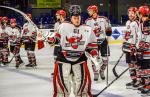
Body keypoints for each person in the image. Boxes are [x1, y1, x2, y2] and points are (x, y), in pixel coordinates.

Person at [45, 5, 98, 97]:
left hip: (80, 59)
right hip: (63, 59)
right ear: (71, 17)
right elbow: (56, 39)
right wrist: (50, 40)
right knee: (62, 85)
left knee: (82, 85)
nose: (77, 20)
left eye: (78, 17)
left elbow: (92, 45)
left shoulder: (87, 29)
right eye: (74, 18)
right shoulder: (63, 26)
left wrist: (94, 54)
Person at [86, 5, 112, 81]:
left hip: (103, 41)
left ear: (94, 11)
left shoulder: (104, 19)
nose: (88, 12)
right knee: (94, 59)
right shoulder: (88, 21)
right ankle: (96, 73)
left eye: (90, 10)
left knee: (105, 60)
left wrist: (109, 32)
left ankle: (102, 71)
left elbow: (109, 28)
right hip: (93, 43)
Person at [122, 7, 141, 89]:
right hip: (128, 47)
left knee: (136, 64)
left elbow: (139, 37)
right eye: (129, 13)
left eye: (132, 13)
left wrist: (136, 47)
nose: (130, 14)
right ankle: (133, 79)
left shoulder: (137, 23)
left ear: (135, 14)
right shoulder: (127, 22)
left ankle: (139, 80)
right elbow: (127, 35)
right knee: (130, 64)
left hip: (134, 48)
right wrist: (124, 44)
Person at [137, 5, 150, 96]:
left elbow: (147, 38)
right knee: (143, 69)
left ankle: (148, 87)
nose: (138, 15)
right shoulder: (142, 23)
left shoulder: (147, 23)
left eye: (139, 13)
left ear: (142, 13)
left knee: (146, 69)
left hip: (147, 51)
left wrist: (143, 46)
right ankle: (146, 85)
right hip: (143, 50)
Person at [51, 9, 67, 76]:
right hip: (57, 44)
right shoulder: (56, 24)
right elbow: (55, 33)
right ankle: (56, 70)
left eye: (57, 15)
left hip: (64, 45)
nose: (56, 16)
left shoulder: (67, 23)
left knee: (64, 58)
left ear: (61, 15)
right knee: (55, 57)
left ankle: (65, 71)